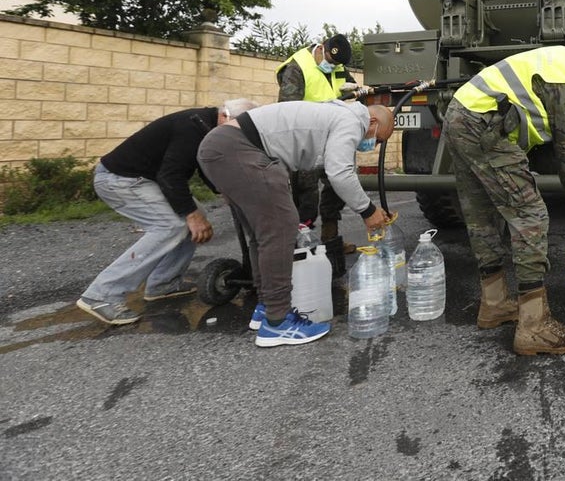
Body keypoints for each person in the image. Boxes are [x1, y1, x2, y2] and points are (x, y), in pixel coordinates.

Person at [442, 42, 565, 355]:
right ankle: (534, 327)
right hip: (484, 122)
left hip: (460, 114)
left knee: (482, 213)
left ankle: (495, 304)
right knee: (531, 215)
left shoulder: (563, 61)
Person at [197, 100, 395, 347]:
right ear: (372, 122)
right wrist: (368, 210)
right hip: (238, 148)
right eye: (378, 139)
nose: (375, 145)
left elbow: (338, 166)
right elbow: (340, 173)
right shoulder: (352, 121)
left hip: (222, 148)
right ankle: (278, 322)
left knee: (264, 233)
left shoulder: (337, 113)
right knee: (280, 229)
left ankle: (266, 308)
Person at [75, 98, 258, 325]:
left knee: (195, 215)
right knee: (172, 226)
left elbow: (204, 165)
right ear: (225, 116)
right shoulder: (193, 126)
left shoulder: (207, 127)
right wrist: (191, 215)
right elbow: (171, 175)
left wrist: (225, 191)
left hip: (145, 180)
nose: (238, 135)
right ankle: (101, 295)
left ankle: (164, 284)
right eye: (238, 128)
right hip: (120, 180)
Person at [275, 33, 358, 248]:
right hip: (305, 138)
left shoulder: (339, 66)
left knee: (338, 184)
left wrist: (353, 92)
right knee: (306, 191)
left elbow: (351, 88)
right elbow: (288, 108)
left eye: (337, 64)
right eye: (330, 60)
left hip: (331, 137)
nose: (332, 66)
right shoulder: (297, 67)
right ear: (321, 48)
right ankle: (303, 243)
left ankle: (330, 238)